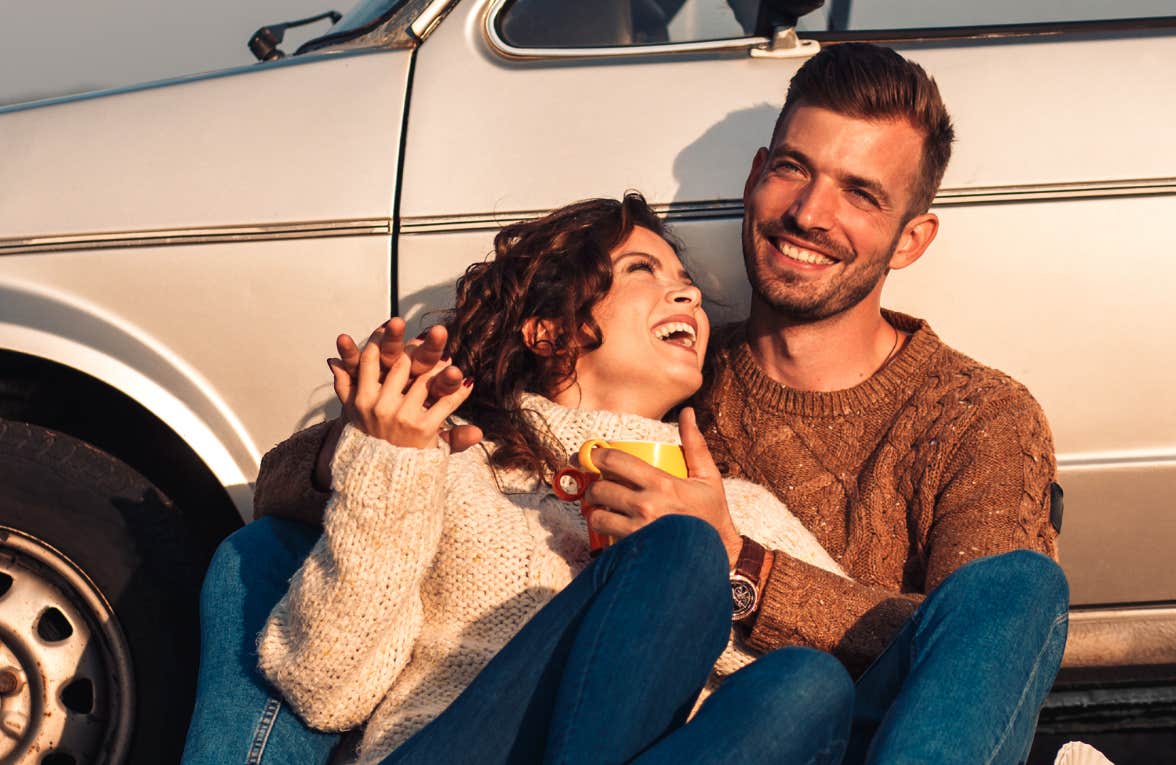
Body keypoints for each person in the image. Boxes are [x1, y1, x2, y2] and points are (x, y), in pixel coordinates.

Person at [252, 43, 1070, 764]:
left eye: (861, 193)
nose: (810, 214)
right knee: (242, 565)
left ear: (912, 238)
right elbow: (291, 480)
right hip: (544, 723)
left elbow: (975, 658)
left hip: (841, 727)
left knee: (1000, 595)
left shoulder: (974, 414)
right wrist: (392, 437)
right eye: (793, 169)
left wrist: (743, 566)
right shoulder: (661, 370)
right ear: (755, 176)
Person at [181, 194, 855, 765]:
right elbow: (326, 686)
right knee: (678, 553)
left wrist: (728, 566)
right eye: (643, 269)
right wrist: (387, 455)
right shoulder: (454, 466)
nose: (688, 293)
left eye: (686, 281)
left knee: (809, 681)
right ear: (547, 331)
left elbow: (877, 651)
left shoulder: (736, 509)